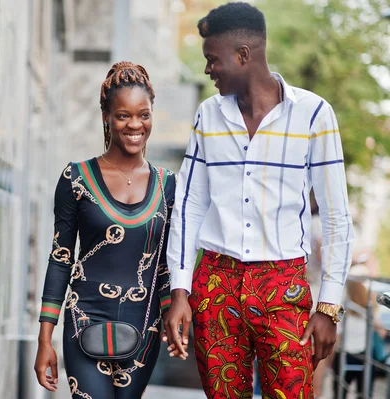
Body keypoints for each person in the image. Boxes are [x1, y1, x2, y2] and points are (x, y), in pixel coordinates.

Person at [163, 3, 354, 398]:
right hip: (216, 283)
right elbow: (189, 205)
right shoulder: (208, 115)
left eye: (212, 59)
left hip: (283, 285)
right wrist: (180, 290)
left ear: (243, 55)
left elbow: (336, 215)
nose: (207, 70)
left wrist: (328, 307)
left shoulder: (315, 115)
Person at [34, 61, 176, 398]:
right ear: (106, 117)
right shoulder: (75, 179)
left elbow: (166, 263)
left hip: (144, 327)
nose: (134, 125)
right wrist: (44, 340)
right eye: (123, 115)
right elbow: (60, 260)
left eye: (143, 114)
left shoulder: (169, 185)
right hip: (84, 320)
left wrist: (172, 314)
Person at [332, 258, 387, 399]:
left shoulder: (343, 307)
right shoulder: (371, 309)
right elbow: (381, 333)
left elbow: (337, 335)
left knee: (339, 393)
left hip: (344, 355)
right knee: (364, 394)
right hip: (364, 355)